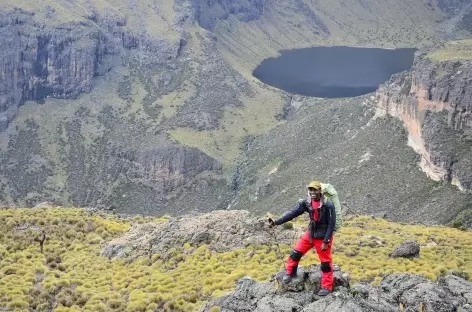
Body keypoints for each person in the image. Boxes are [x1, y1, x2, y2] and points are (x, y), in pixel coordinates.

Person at [269, 181, 336, 296]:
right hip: (311, 233)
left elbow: (331, 224)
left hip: (323, 236)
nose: (312, 192)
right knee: (296, 253)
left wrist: (326, 241)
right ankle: (291, 273)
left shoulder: (328, 205)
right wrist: (277, 222)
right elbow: (293, 213)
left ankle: (327, 286)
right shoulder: (307, 202)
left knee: (325, 262)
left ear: (320, 191)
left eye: (315, 190)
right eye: (310, 190)